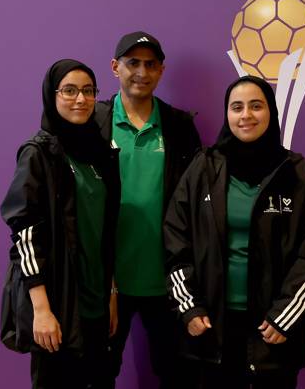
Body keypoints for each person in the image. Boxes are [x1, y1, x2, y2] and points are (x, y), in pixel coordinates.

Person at [165, 75, 305, 389]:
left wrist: (285, 316)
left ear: (271, 112)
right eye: (236, 107)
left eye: (256, 106)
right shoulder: (203, 167)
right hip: (212, 327)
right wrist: (190, 307)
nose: (246, 115)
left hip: (273, 330)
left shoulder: (298, 174)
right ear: (227, 114)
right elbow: (175, 241)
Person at [0, 59, 120, 388]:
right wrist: (41, 309)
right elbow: (23, 233)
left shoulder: (101, 153)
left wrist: (111, 291)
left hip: (97, 305)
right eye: (69, 90)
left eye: (88, 91)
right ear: (52, 95)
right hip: (58, 306)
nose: (80, 99)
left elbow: (106, 231)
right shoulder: (39, 153)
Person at [95, 31, 201, 388]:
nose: (141, 72)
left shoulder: (180, 126)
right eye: (132, 63)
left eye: (150, 64)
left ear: (161, 70)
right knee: (98, 374)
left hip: (167, 283)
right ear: (115, 67)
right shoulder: (93, 123)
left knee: (176, 376)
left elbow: (198, 201)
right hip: (107, 284)